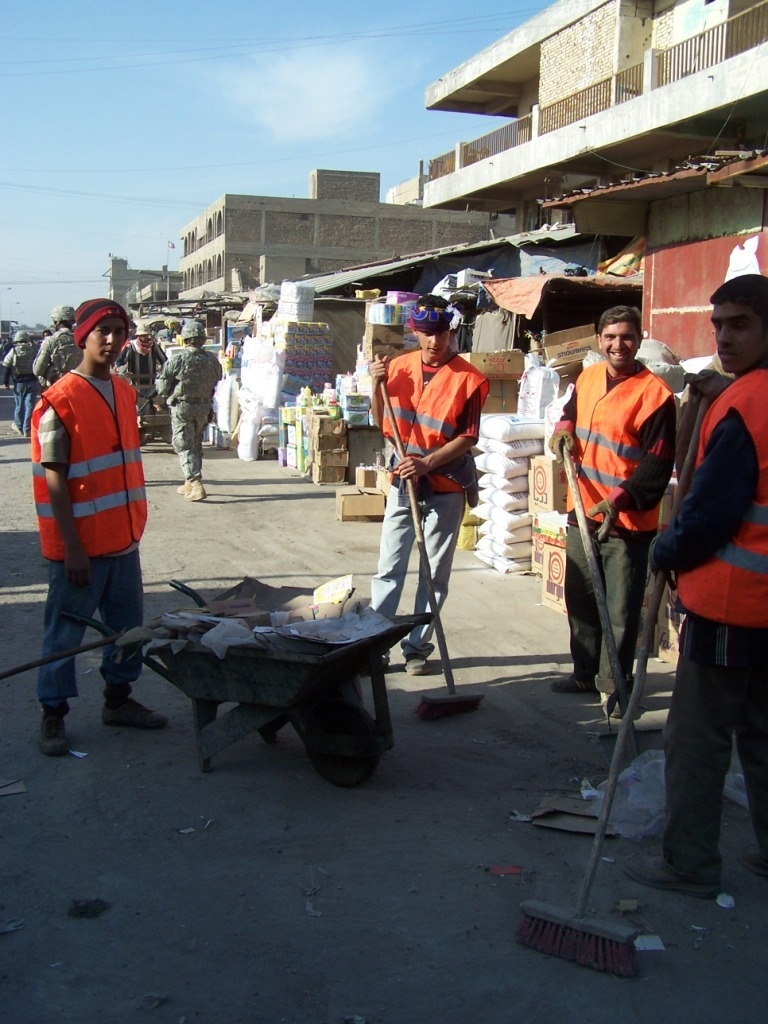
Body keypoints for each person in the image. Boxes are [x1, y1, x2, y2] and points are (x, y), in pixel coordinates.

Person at [625, 274, 768, 898]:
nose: (724, 337)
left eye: (740, 324)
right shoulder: (739, 395)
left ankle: (689, 863)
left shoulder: (746, 407)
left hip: (732, 603)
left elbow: (711, 513)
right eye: (718, 325)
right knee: (763, 736)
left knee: (696, 738)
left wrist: (668, 547)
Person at [30, 298, 167, 757]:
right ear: (82, 337)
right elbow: (54, 483)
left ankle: (118, 701)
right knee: (65, 632)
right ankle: (53, 713)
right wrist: (71, 549)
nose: (111, 340)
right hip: (80, 547)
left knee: (126, 629)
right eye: (101, 331)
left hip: (123, 540)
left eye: (118, 330)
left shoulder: (125, 391)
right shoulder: (59, 401)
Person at [549, 305, 676, 715]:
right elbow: (570, 414)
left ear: (638, 340)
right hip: (583, 509)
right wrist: (563, 432)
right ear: (599, 340)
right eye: (610, 336)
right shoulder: (587, 378)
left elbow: (656, 467)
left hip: (625, 522)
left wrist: (618, 501)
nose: (618, 344)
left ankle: (615, 685)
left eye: (626, 336)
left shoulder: (656, 396)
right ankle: (585, 672)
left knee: (620, 611)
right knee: (582, 599)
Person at [369, 294, 489, 674]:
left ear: (450, 331)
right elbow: (381, 421)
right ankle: (375, 645)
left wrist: (426, 464)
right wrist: (375, 385)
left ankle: (417, 648)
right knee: (389, 566)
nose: (434, 342)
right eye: (426, 333)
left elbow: (468, 437)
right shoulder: (398, 368)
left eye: (440, 333)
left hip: (446, 484)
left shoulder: (469, 378)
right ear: (415, 332)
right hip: (402, 482)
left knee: (433, 572)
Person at [155, 319, 221, 501]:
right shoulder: (213, 360)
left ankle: (195, 483)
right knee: (196, 444)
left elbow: (162, 387)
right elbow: (216, 381)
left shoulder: (178, 359)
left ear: (185, 339)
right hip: (203, 407)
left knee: (184, 445)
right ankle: (188, 483)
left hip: (182, 407)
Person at [114, 319, 167, 413]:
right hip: (135, 383)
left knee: (148, 406)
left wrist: (162, 373)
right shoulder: (131, 346)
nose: (145, 338)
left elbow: (164, 361)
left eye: (146, 335)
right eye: (142, 336)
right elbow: (119, 362)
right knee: (138, 408)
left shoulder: (153, 346)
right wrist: (125, 373)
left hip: (151, 383)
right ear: (138, 336)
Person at [33, 304, 80, 389]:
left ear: (57, 321)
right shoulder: (81, 340)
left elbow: (38, 370)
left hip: (55, 388)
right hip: (76, 386)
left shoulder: (50, 341)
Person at [3, 330, 40, 436]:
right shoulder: (33, 350)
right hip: (32, 381)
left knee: (19, 406)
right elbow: (39, 363)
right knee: (30, 406)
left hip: (19, 382)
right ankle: (27, 429)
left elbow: (7, 366)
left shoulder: (14, 351)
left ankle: (19, 427)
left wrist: (6, 382)